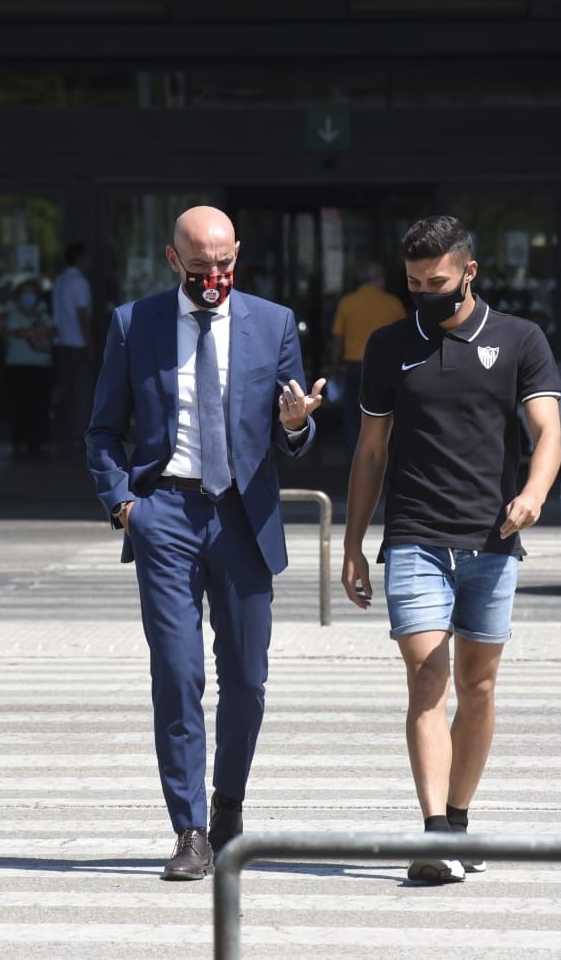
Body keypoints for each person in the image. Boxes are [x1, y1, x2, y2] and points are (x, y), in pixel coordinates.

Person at [87, 206, 325, 881]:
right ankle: (189, 828)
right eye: (200, 267)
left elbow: (293, 436)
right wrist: (125, 506)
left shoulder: (273, 323)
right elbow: (103, 429)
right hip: (167, 513)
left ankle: (229, 807)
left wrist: (298, 424)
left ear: (237, 256)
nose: (213, 277)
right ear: (173, 260)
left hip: (244, 519)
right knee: (178, 673)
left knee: (246, 679)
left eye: (224, 265)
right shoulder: (136, 325)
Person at [340, 215, 561, 884]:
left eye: (434, 281)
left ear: (469, 272)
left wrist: (533, 494)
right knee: (427, 679)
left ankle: (460, 817)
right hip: (415, 538)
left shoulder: (520, 339)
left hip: (493, 542)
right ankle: (434, 832)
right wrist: (353, 544)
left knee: (480, 685)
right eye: (412, 283)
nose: (423, 293)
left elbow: (548, 432)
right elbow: (370, 450)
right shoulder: (387, 346)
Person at [330, 260, 407, 462]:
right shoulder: (393, 303)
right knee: (386, 414)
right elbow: (406, 338)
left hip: (354, 366)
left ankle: (356, 459)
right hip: (386, 367)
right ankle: (383, 458)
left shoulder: (347, 303)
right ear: (378, 280)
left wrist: (335, 368)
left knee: (354, 415)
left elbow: (338, 339)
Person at [3, 278, 55, 457]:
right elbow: (14, 332)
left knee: (40, 405)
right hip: (19, 365)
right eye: (25, 292)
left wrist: (41, 330)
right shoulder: (14, 313)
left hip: (41, 365)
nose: (28, 296)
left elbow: (53, 329)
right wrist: (34, 331)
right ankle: (20, 441)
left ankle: (39, 440)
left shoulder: (42, 312)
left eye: (31, 292)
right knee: (20, 404)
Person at [51, 242, 94, 453]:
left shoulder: (59, 280)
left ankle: (62, 431)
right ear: (80, 259)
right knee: (80, 390)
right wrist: (89, 342)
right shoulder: (79, 282)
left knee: (65, 387)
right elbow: (82, 313)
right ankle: (78, 433)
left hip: (61, 341)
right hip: (77, 342)